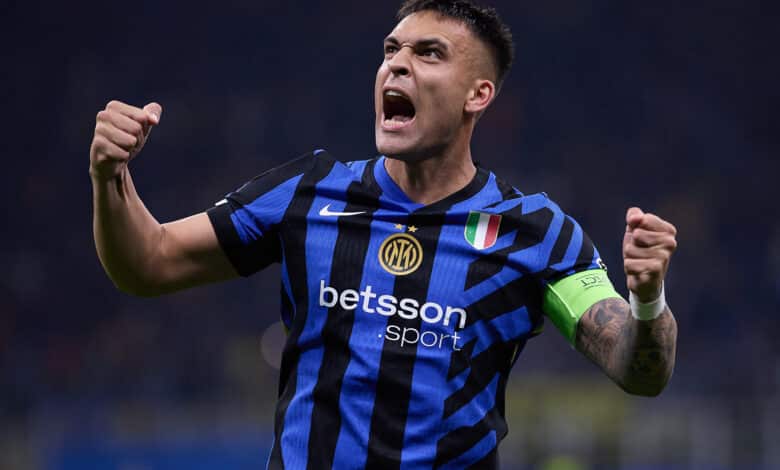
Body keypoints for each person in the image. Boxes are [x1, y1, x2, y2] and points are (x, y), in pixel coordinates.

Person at [88, 0, 678, 468]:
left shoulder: (535, 232)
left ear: (479, 94)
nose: (397, 64)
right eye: (391, 50)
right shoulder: (308, 192)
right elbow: (149, 262)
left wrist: (647, 299)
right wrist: (110, 176)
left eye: (429, 54)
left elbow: (638, 370)